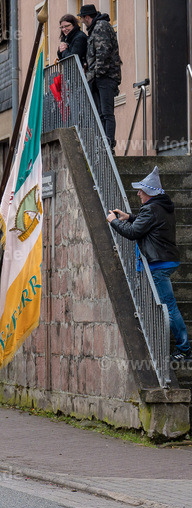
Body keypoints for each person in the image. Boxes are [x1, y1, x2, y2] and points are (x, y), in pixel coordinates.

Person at [108, 166, 190, 361]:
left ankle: (184, 349)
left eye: (141, 191)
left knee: (169, 308)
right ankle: (178, 346)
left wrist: (113, 221)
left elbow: (132, 233)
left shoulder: (151, 208)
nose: (138, 194)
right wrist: (130, 217)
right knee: (166, 306)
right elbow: (151, 224)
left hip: (158, 264)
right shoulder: (162, 206)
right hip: (166, 260)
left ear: (150, 193)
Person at [79, 4, 121, 150]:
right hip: (101, 77)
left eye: (83, 19)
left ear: (87, 17)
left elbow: (103, 52)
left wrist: (96, 75)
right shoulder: (96, 27)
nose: (83, 23)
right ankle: (105, 146)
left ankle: (108, 146)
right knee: (102, 114)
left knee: (106, 113)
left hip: (105, 77)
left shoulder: (100, 27)